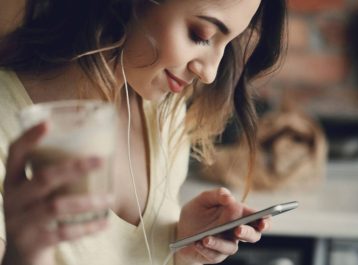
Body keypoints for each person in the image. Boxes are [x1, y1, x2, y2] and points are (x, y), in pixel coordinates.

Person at [0, 0, 287, 264]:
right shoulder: (7, 122)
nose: (210, 73)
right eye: (200, 34)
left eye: (229, 43)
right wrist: (24, 254)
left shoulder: (166, 116)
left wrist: (179, 245)